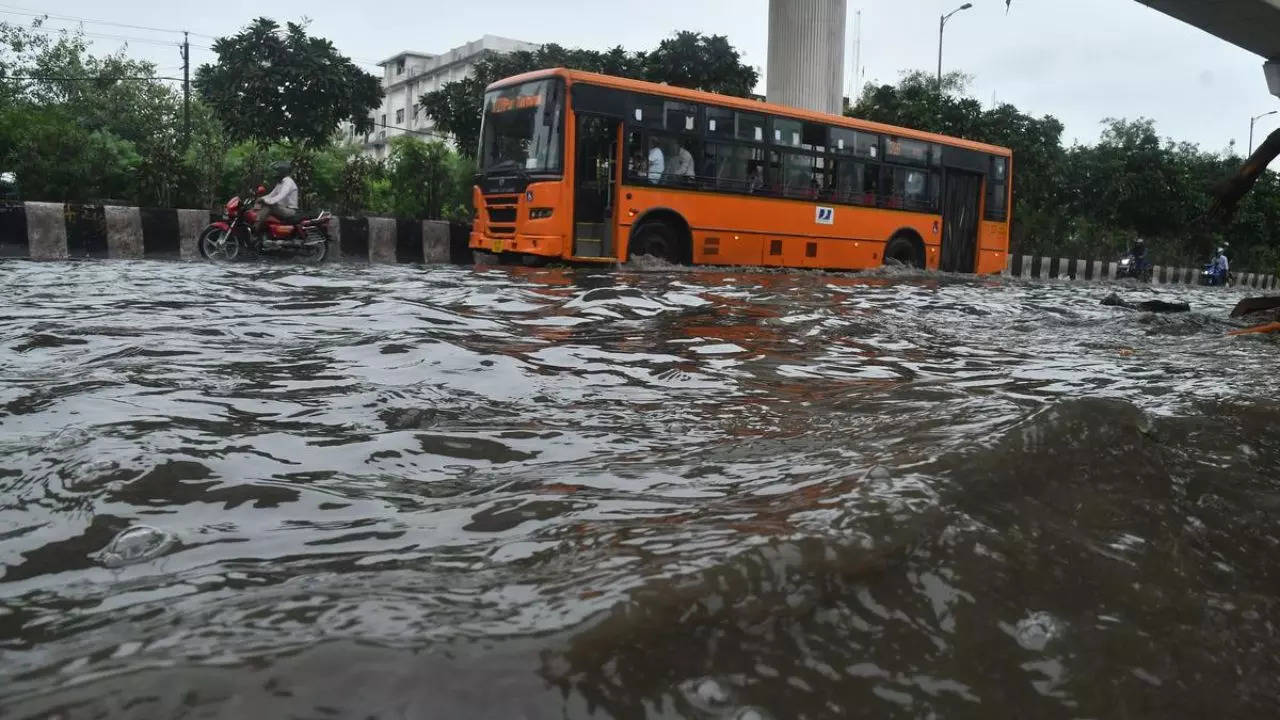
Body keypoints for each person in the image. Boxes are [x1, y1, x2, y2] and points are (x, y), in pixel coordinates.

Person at [256, 161, 299, 232]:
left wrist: (266, 201)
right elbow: (271, 195)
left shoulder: (288, 182)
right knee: (263, 206)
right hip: (282, 209)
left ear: (282, 171)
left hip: (290, 211)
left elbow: (281, 196)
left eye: (277, 171)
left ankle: (256, 227)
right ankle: (262, 231)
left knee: (269, 205)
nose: (275, 173)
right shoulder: (280, 182)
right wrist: (260, 199)